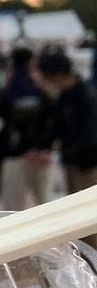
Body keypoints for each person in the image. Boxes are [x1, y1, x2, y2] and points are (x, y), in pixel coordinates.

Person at [38, 52, 97, 244]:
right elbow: (57, 127)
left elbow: (90, 139)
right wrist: (44, 148)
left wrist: (59, 157)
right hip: (71, 163)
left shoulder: (87, 97)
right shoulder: (65, 96)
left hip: (88, 167)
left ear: (58, 75)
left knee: (89, 220)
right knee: (77, 219)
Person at [0, 48, 54, 210]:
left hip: (13, 153)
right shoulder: (39, 90)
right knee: (45, 203)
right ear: (30, 62)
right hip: (40, 154)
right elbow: (52, 118)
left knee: (13, 207)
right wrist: (43, 146)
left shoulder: (7, 90)